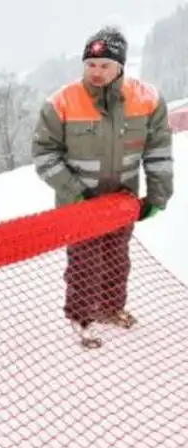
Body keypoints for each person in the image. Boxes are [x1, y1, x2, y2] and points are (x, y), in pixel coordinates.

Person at [30, 26, 174, 349]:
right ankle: (81, 318)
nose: (96, 72)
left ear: (120, 66)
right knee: (84, 262)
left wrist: (157, 195)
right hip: (79, 204)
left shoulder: (147, 100)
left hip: (121, 202)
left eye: (104, 65)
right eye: (90, 65)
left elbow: (158, 152)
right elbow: (44, 154)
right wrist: (74, 191)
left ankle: (111, 309)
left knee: (117, 259)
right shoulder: (62, 102)